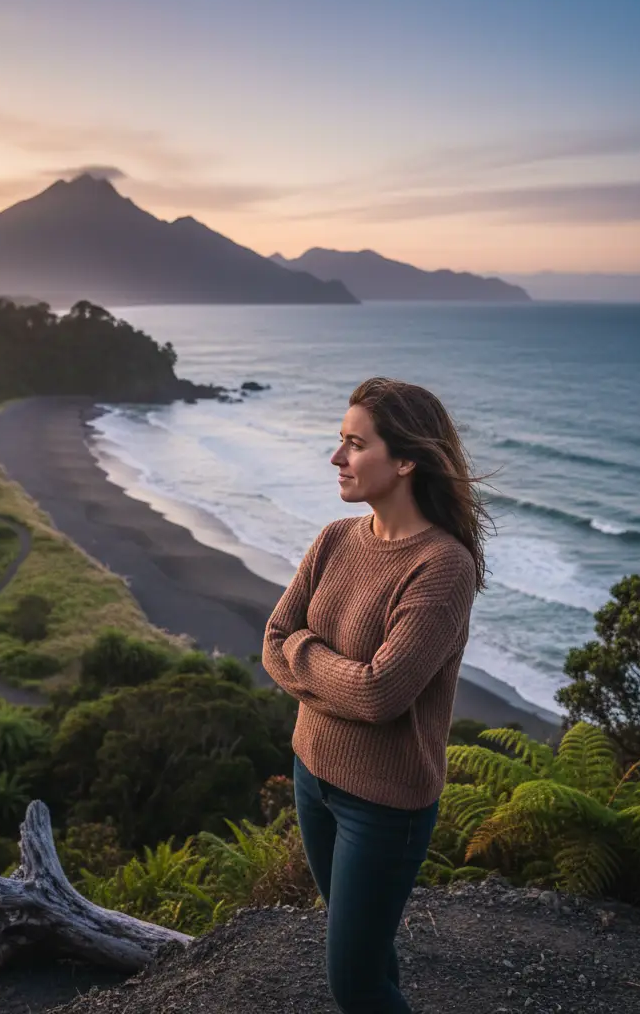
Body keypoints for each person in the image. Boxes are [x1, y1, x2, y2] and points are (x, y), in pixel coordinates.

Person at [262, 376, 487, 1014]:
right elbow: (271, 637)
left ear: (406, 460)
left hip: (384, 806)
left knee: (353, 983)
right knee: (365, 953)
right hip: (311, 773)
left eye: (354, 445)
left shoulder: (442, 567)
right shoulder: (336, 538)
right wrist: (331, 667)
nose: (336, 458)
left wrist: (304, 655)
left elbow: (380, 693)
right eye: (340, 442)